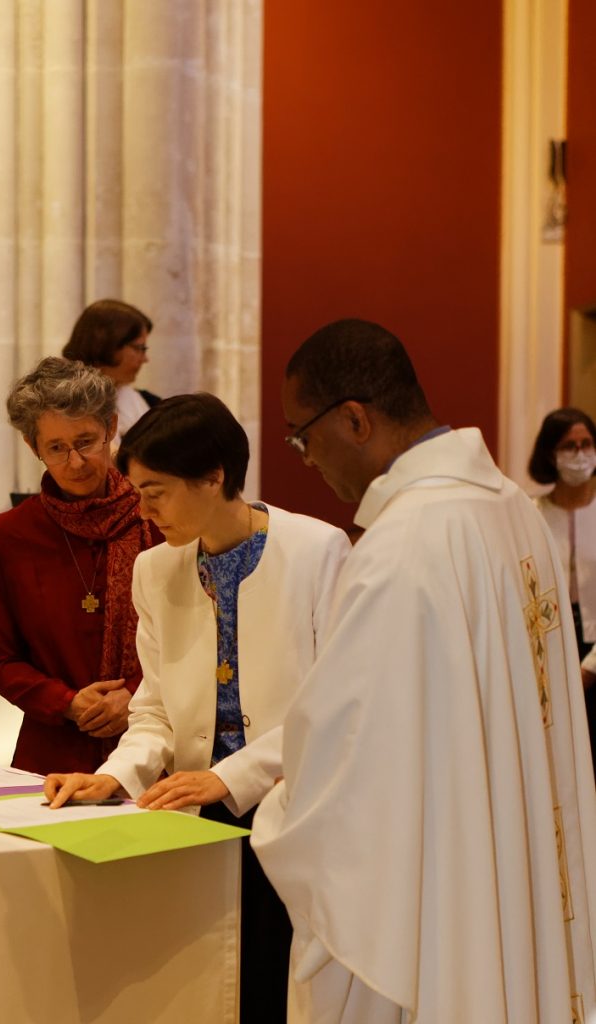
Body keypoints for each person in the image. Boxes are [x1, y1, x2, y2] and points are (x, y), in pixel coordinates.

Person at [251, 319, 596, 1024]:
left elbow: (346, 773)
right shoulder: (508, 510)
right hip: (517, 860)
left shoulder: (401, 548)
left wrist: (278, 810)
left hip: (447, 887)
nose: (306, 459)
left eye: (300, 435)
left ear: (354, 419)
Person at [44, 393, 351, 1024]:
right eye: (138, 491)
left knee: (277, 983)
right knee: (200, 985)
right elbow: (154, 707)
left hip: (298, 805)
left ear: (214, 476)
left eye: (156, 491)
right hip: (195, 812)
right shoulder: (157, 569)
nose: (144, 509)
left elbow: (333, 703)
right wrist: (115, 778)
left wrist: (227, 776)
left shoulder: (318, 551)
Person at [0, 357, 162, 776]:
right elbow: (0, 660)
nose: (75, 462)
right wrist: (68, 703)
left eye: (86, 441)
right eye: (56, 448)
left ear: (111, 429)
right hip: (53, 756)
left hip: (157, 750)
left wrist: (135, 695)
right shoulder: (8, 535)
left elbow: (197, 639)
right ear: (33, 448)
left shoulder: (158, 517)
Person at [529, 407, 596, 772]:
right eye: (569, 446)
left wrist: (589, 668)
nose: (580, 453)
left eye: (587, 444)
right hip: (549, 645)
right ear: (550, 453)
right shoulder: (531, 514)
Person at [63, 298, 161, 445]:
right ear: (108, 345)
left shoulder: (143, 400)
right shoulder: (67, 405)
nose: (145, 359)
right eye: (139, 348)